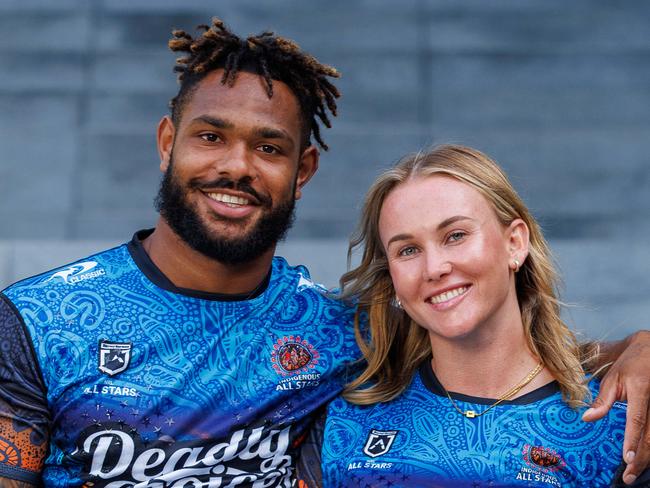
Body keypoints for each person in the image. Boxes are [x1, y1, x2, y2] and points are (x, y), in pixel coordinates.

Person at [0, 17, 648, 488]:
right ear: (168, 141)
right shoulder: (39, 321)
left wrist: (641, 348)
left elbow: (503, 345)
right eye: (209, 136)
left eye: (270, 148)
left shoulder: (343, 330)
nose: (236, 166)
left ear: (303, 170)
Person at [298, 145, 650, 487]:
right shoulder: (344, 418)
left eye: (456, 235)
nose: (434, 268)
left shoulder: (616, 424)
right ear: (392, 279)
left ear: (514, 244)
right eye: (407, 250)